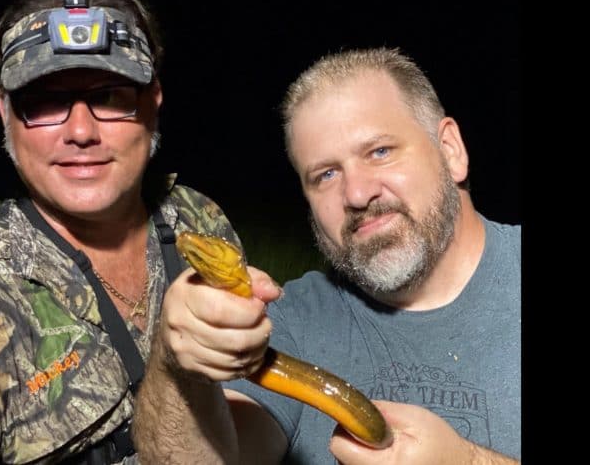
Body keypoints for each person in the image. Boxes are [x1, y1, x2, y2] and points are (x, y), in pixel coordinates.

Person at [132, 47, 520, 464]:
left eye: (380, 152)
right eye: (326, 175)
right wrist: (177, 369)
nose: (356, 194)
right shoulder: (286, 322)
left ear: (450, 150)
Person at [0, 0, 246, 463]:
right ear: (5, 111)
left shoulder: (197, 220)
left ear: (153, 103)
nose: (81, 131)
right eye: (45, 100)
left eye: (111, 96)